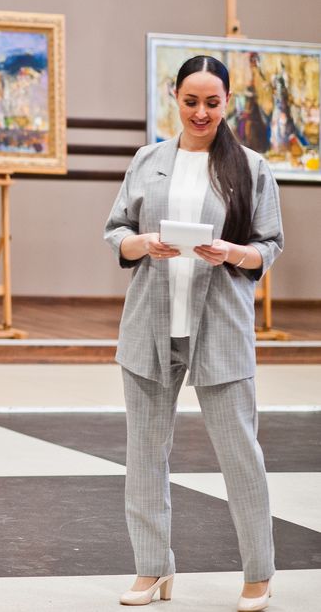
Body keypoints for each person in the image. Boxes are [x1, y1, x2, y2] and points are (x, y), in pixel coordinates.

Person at [104, 55, 283, 610]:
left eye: (211, 102)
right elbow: (117, 231)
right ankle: (152, 569)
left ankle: (259, 573)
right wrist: (142, 243)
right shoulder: (147, 159)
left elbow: (269, 245)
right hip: (150, 328)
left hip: (220, 330)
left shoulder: (251, 167)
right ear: (174, 98)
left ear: (227, 102)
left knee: (240, 456)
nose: (200, 112)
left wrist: (231, 251)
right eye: (190, 101)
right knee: (145, 455)